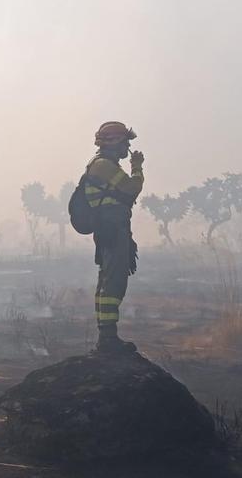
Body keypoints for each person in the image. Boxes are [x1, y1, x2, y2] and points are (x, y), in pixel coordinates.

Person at [86, 121, 144, 353]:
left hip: (110, 229)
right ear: (115, 142)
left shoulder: (102, 164)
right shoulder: (103, 166)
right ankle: (108, 338)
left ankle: (107, 335)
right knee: (114, 282)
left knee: (108, 280)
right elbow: (132, 188)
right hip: (112, 230)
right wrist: (137, 167)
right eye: (125, 142)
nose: (127, 147)